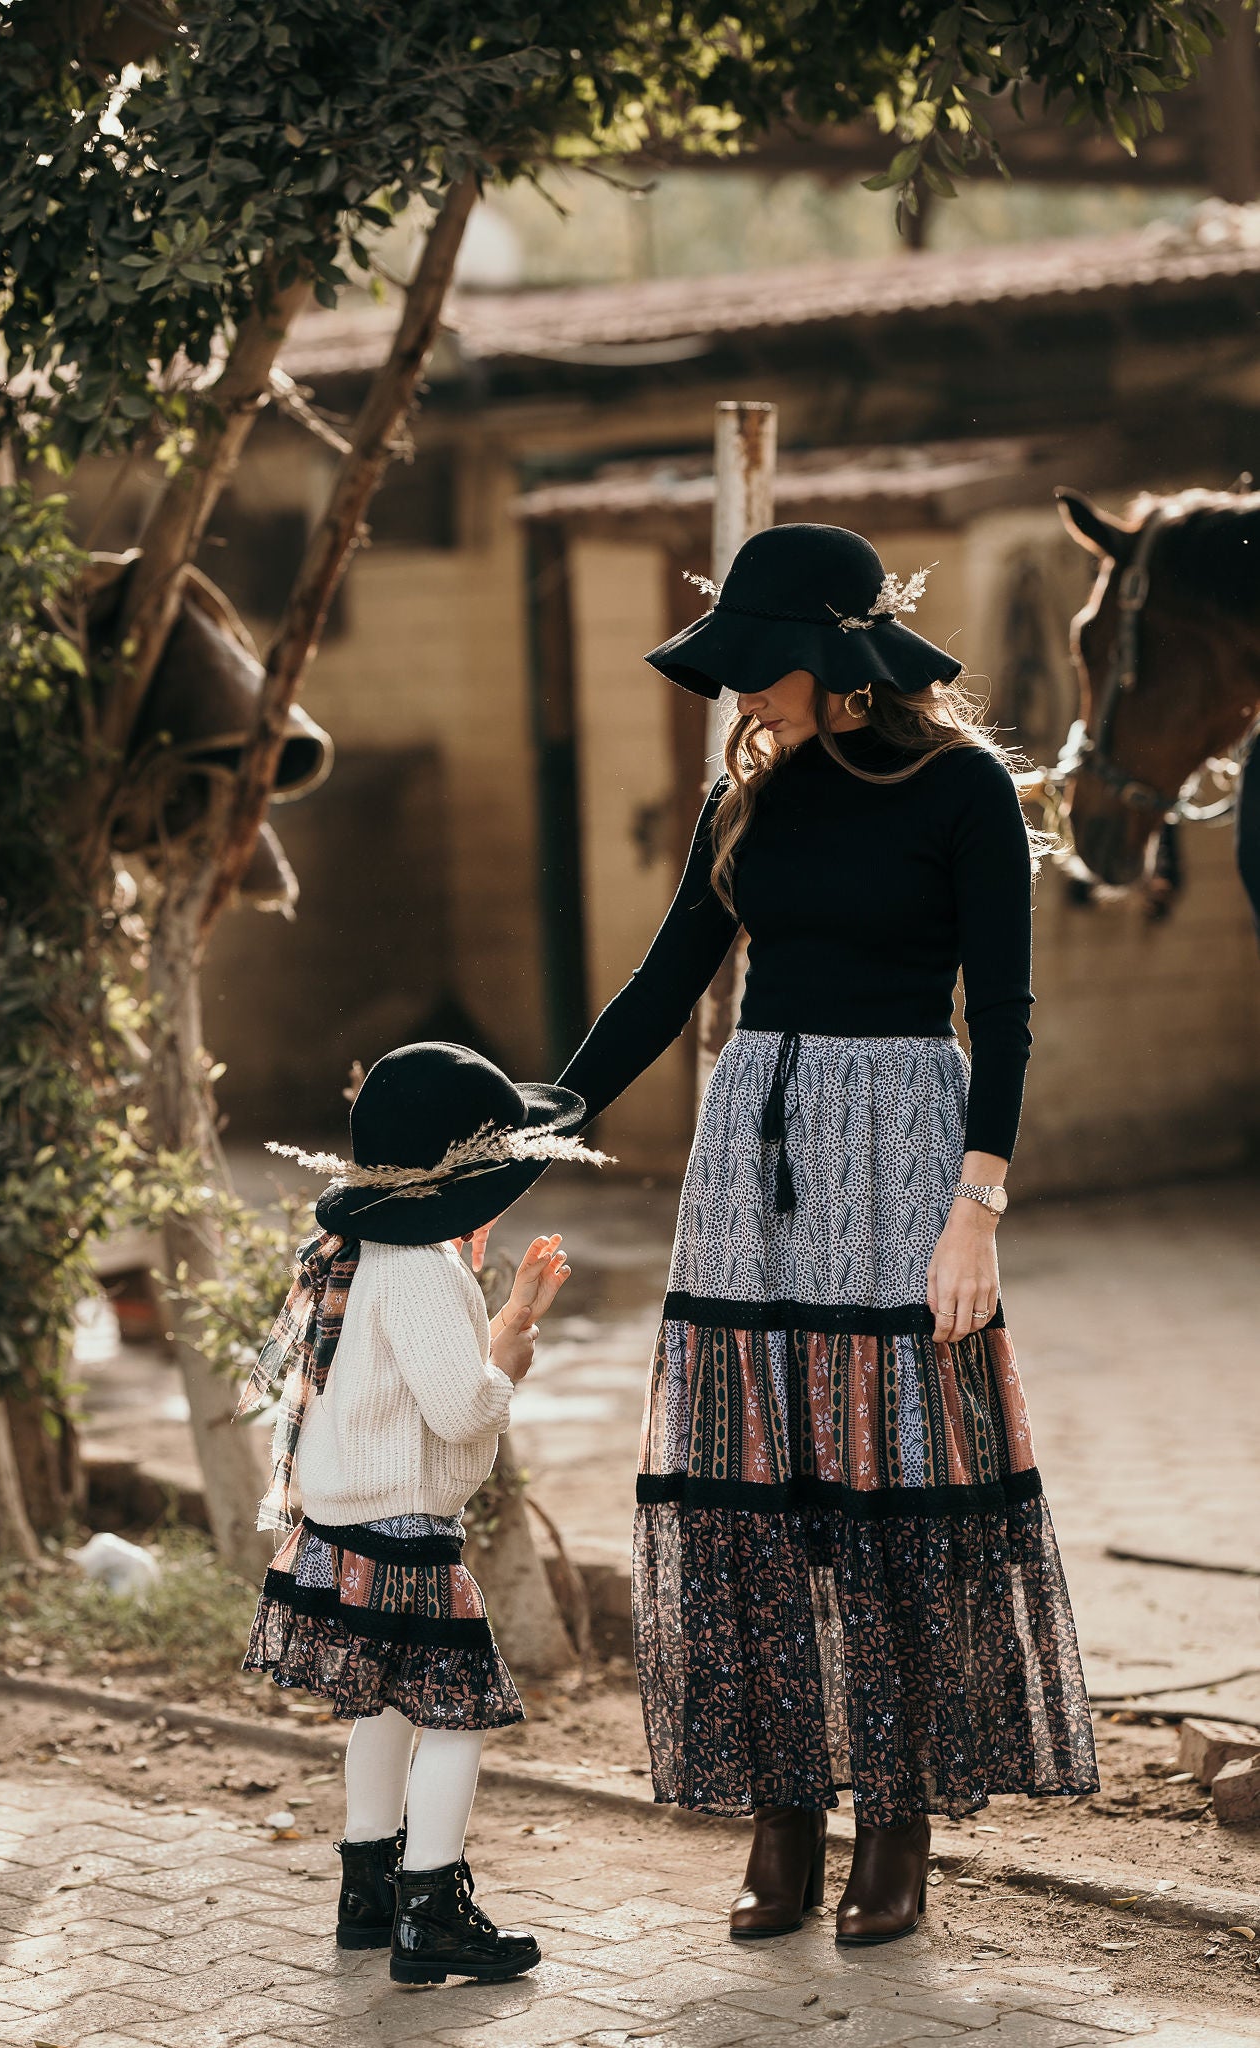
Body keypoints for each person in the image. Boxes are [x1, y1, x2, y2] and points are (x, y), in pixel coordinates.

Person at [558, 524, 1099, 1948]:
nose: (738, 700)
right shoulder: (750, 801)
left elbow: (1010, 1013)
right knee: (755, 1491)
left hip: (909, 1152)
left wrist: (976, 1204)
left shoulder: (966, 791)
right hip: (752, 1153)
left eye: (757, 671)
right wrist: (534, 1123)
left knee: (893, 1490)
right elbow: (665, 981)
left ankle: (898, 1822)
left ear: (835, 662)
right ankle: (783, 1814)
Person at [237, 1040, 605, 1985]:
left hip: (339, 1529)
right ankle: (432, 1912)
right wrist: (511, 1365)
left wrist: (508, 1311)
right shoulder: (423, 1270)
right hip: (404, 1535)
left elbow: (416, 1385)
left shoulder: (367, 1250)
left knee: (386, 1705)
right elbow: (463, 1407)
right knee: (455, 1717)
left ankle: (369, 1894)